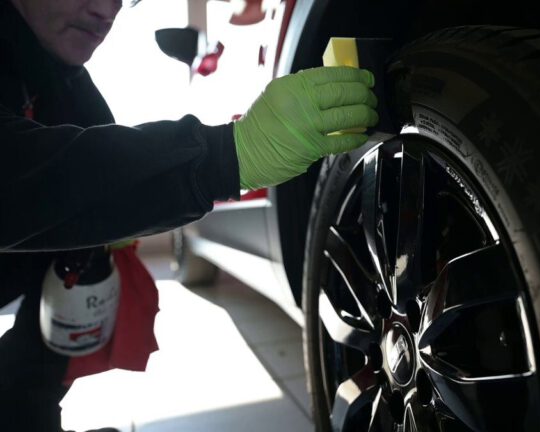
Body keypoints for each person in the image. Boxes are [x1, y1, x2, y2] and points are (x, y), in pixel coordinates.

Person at [0, 0, 379, 430]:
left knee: (86, 258)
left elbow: (92, 171)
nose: (108, 10)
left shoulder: (63, 84)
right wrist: (224, 156)